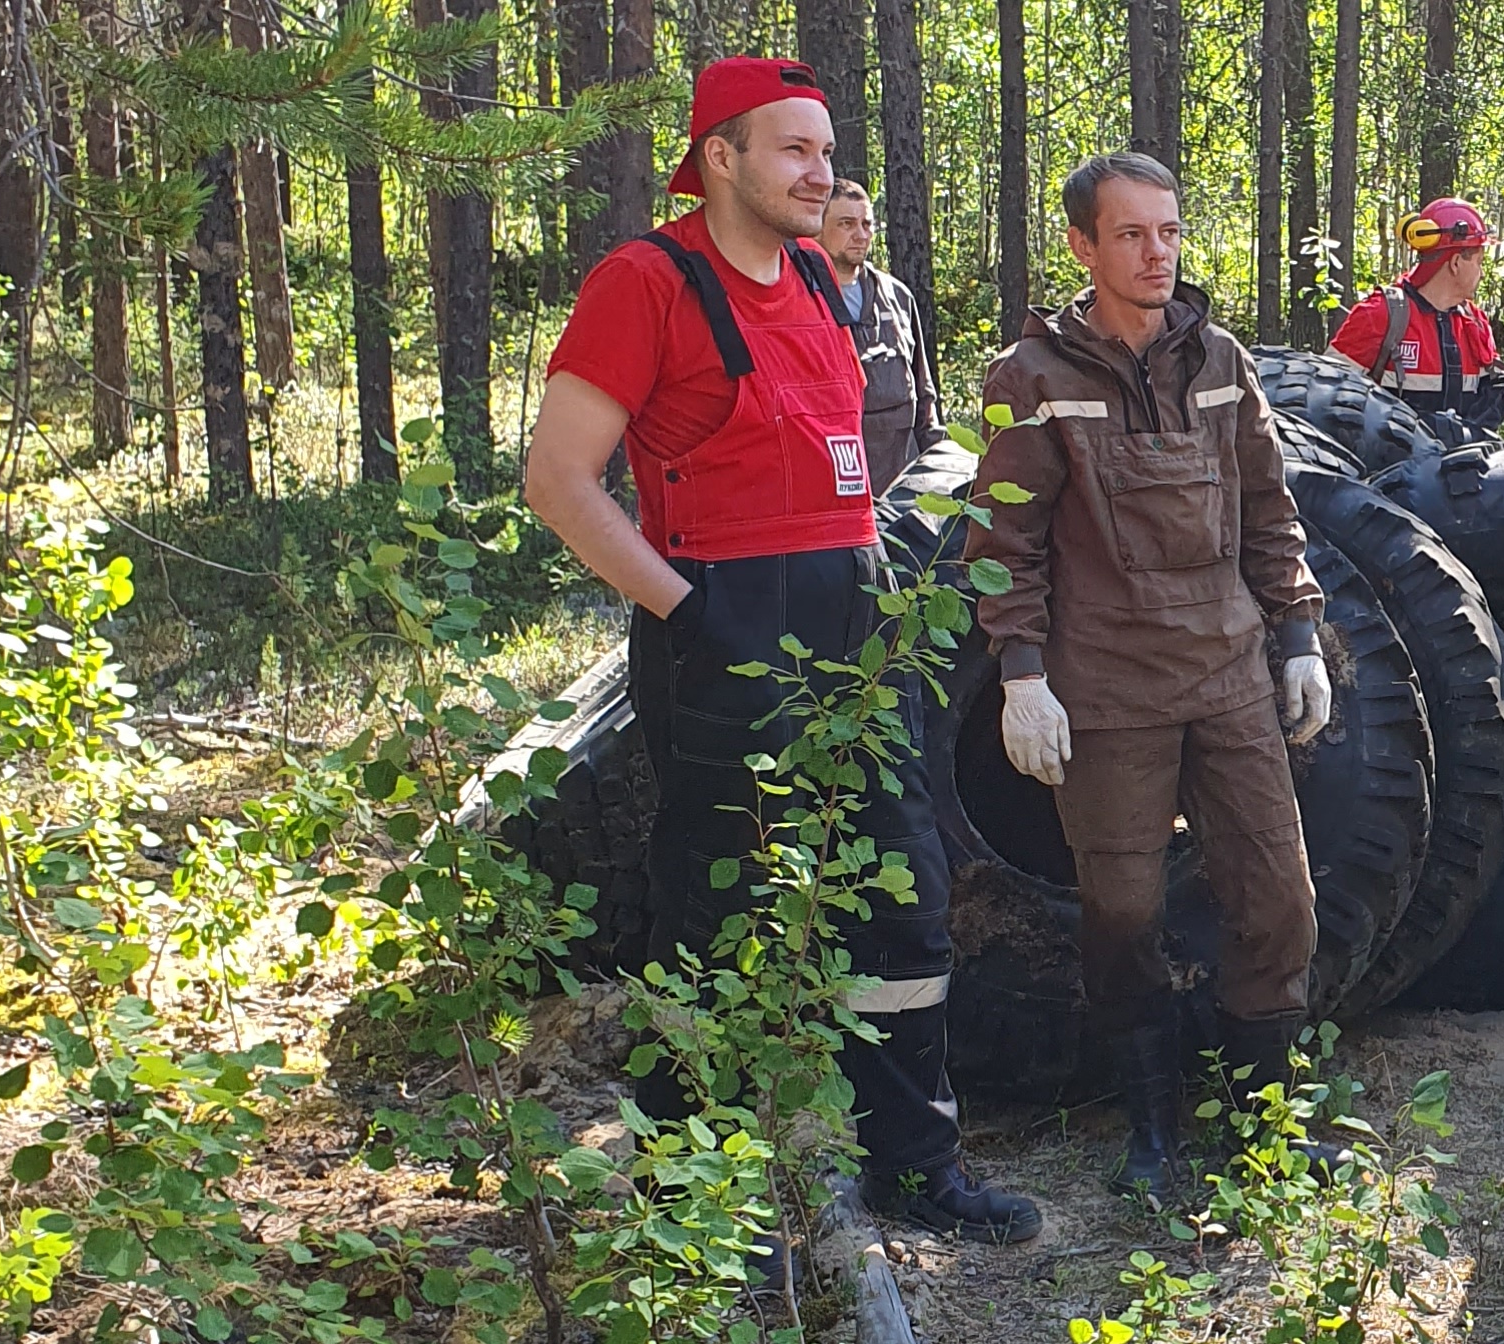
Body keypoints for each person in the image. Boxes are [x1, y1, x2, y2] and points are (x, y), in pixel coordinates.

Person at [524, 56, 1040, 1243]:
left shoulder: (817, 272)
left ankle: (913, 1165)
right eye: (795, 152)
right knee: (718, 913)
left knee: (899, 895)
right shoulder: (645, 282)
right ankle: (683, 1200)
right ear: (721, 158)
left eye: (825, 150)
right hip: (726, 631)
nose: (822, 174)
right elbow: (558, 481)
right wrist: (691, 614)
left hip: (855, 620)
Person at [967, 153, 1332, 1206]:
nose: (1156, 253)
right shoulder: (1032, 379)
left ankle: (1264, 1123)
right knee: (1121, 912)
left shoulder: (1217, 360)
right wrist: (1021, 674)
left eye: (1168, 231)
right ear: (1082, 246)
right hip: (1107, 687)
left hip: (1226, 676)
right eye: (1131, 235)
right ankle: (1153, 1126)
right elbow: (1004, 545)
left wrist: (1298, 631)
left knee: (1279, 900)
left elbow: (1268, 506)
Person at [1327, 197, 1504, 436]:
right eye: (1479, 262)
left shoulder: (1473, 321)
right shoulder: (1380, 315)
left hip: (1457, 469)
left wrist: (1470, 432)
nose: (1481, 272)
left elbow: (1496, 386)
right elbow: (1327, 396)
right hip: (1387, 469)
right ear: (1456, 263)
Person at [816, 181, 944, 494]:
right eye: (846, 224)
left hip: (902, 492)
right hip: (829, 490)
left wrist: (940, 468)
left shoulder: (897, 298)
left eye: (867, 224)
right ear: (816, 227)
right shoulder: (797, 297)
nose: (861, 234)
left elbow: (924, 398)